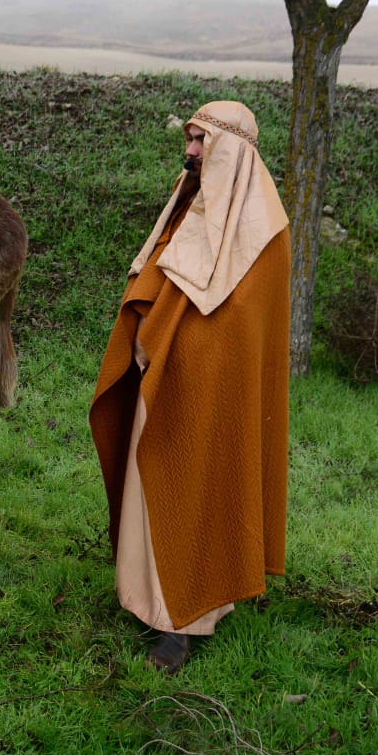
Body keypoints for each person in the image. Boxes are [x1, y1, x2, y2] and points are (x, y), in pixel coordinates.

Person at [89, 100, 291, 674]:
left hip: (208, 387)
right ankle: (147, 595)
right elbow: (162, 272)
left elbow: (238, 326)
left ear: (231, 149)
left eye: (203, 141)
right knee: (156, 479)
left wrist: (185, 351)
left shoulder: (264, 230)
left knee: (195, 482)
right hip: (164, 375)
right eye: (190, 138)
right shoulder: (191, 202)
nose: (191, 151)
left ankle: (182, 621)